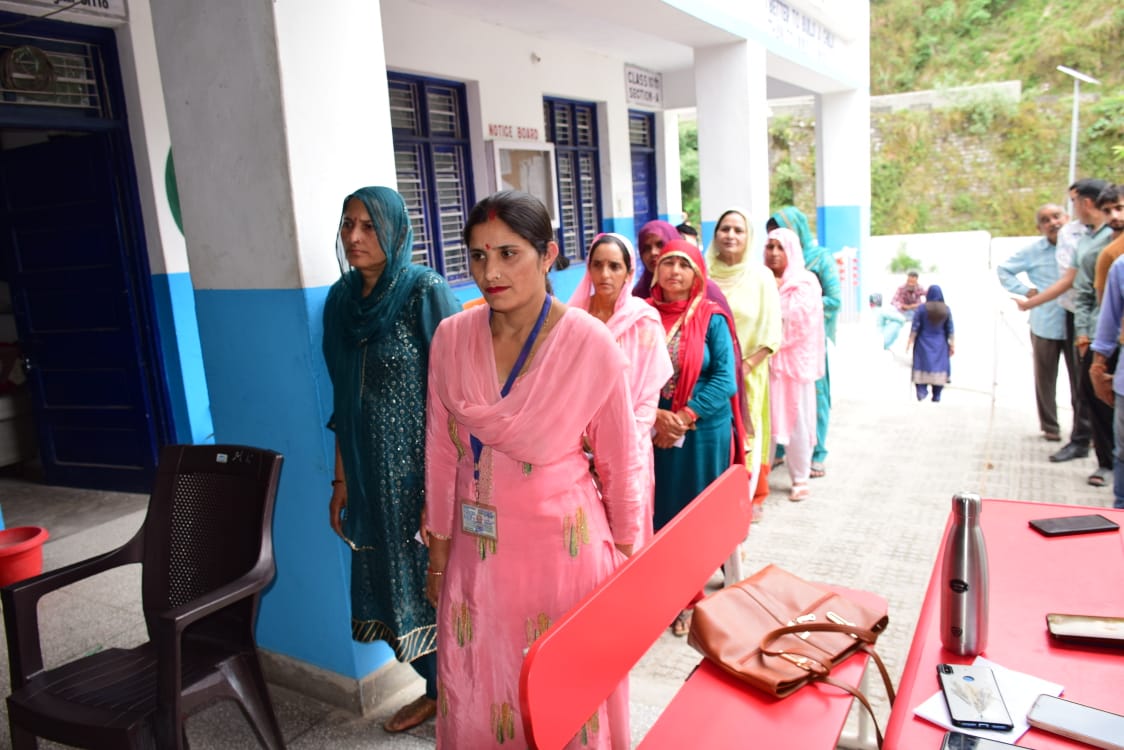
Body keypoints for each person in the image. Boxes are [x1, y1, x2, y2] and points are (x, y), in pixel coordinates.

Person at [424, 191, 643, 748]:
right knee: (479, 685)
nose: (490, 272)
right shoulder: (451, 337)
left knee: (564, 700)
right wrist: (440, 551)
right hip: (479, 557)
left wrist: (629, 558)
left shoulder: (588, 343)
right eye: (477, 256)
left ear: (547, 256)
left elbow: (620, 460)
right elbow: (441, 449)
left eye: (507, 254)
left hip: (563, 552)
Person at [322, 186, 460, 733]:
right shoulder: (340, 301)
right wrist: (341, 479)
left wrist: (442, 488)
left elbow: (455, 393)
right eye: (347, 224)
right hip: (367, 474)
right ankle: (437, 690)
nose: (354, 237)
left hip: (423, 474)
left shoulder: (423, 291)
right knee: (392, 585)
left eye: (369, 226)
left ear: (396, 231)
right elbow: (341, 398)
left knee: (439, 584)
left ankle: (463, 693)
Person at [649, 239, 745, 634]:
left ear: (697, 274)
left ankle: (690, 599)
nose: (674, 270)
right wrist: (657, 418)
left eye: (683, 264)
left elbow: (726, 376)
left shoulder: (711, 316)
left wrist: (684, 416)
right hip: (654, 429)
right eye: (667, 262)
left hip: (703, 431)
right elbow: (631, 371)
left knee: (694, 516)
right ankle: (665, 592)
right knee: (661, 512)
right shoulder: (643, 315)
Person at [570, 233, 674, 545]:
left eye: (614, 266)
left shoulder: (643, 322)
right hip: (576, 449)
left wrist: (616, 443)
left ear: (629, 274)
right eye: (597, 265)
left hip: (630, 448)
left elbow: (646, 401)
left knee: (627, 537)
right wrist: (581, 438)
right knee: (586, 539)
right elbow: (560, 389)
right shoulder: (571, 320)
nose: (604, 274)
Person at [1020, 178, 1110, 466]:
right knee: (1085, 384)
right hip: (1078, 319)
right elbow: (1074, 282)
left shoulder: (1108, 239)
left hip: (1102, 321)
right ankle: (1086, 443)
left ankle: (1104, 455)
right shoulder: (1085, 237)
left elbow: (1076, 283)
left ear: (1084, 203)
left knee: (1095, 386)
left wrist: (1030, 302)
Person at [705, 208, 782, 520]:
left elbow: (772, 330)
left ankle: (748, 498)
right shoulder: (703, 272)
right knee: (716, 434)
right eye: (725, 229)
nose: (731, 236)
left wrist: (745, 367)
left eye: (738, 230)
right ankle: (715, 497)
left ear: (749, 237)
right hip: (708, 372)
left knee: (747, 434)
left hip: (749, 372)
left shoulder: (761, 276)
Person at [767, 206, 840, 478]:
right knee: (779, 401)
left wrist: (799, 305)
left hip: (808, 344)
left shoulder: (819, 259)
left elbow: (834, 299)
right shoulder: (771, 263)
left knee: (813, 400)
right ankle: (783, 451)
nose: (775, 248)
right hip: (777, 347)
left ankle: (817, 452)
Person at [997, 205, 1071, 446]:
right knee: (1045, 378)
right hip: (1045, 323)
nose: (1052, 223)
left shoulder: (1077, 248)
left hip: (1076, 323)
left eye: (1056, 217)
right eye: (1045, 220)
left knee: (1081, 380)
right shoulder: (1033, 252)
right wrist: (1028, 291)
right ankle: (1050, 427)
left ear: (1067, 218)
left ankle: (1084, 429)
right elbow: (1004, 270)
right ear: (1039, 228)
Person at [764, 227, 825, 502]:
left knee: (798, 419)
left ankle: (800, 476)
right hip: (763, 361)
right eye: (770, 247)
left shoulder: (804, 282)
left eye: (780, 248)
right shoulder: (760, 279)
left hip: (793, 365)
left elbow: (799, 321)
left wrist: (775, 300)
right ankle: (759, 478)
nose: (774, 253)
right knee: (762, 420)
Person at [1089, 185, 1124, 510]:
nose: (1116, 216)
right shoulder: (1116, 261)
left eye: (1120, 208)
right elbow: (1107, 315)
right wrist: (1099, 363)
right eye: (1110, 209)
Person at [907, 284, 954, 402]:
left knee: (922, 365)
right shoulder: (946, 309)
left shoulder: (922, 309)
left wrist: (910, 341)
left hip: (923, 342)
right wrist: (952, 344)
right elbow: (950, 329)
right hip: (940, 344)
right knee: (939, 367)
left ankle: (922, 391)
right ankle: (936, 394)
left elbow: (915, 327)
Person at [877, 270, 926, 349]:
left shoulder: (920, 288)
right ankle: (885, 344)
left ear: (917, 281)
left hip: (915, 312)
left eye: (913, 282)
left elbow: (930, 297)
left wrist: (918, 305)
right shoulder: (901, 288)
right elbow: (894, 301)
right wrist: (904, 306)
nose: (910, 284)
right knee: (894, 323)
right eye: (908, 281)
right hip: (903, 312)